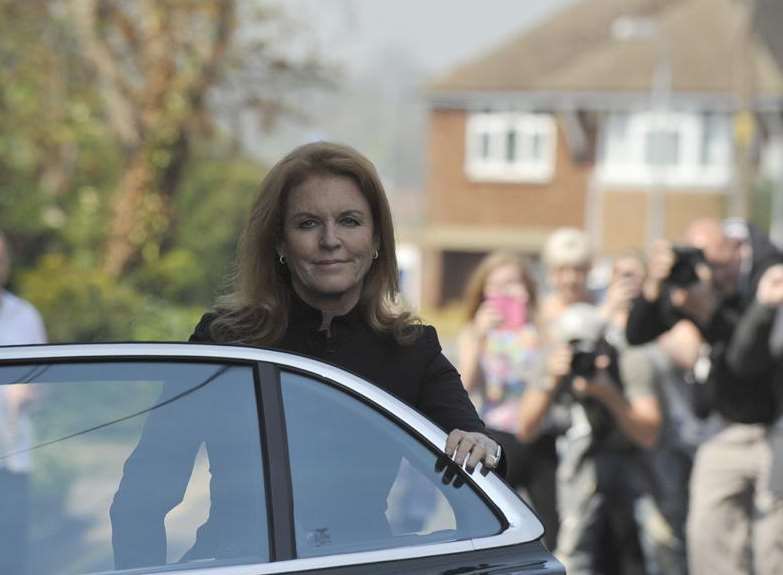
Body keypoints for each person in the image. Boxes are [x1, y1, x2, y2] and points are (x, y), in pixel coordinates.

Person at [111, 142, 502, 568]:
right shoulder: (224, 340)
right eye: (307, 223)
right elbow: (142, 492)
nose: (330, 240)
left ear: (375, 240)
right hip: (238, 566)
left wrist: (480, 446)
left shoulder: (410, 348)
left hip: (364, 567)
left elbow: (484, 476)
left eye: (349, 221)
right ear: (279, 241)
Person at [624, 217, 783, 575]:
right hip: (724, 426)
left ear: (738, 248)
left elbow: (749, 360)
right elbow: (636, 333)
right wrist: (655, 285)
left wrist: (708, 311)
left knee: (774, 545)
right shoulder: (695, 283)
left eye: (721, 265)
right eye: (705, 266)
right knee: (708, 536)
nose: (715, 275)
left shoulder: (770, 274)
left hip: (776, 426)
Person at [518, 302, 662, 575]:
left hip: (631, 458)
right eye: (574, 345)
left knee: (649, 539)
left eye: (591, 344)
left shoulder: (628, 360)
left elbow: (648, 434)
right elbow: (526, 429)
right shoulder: (552, 361)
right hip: (574, 461)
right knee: (573, 544)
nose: (582, 354)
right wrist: (550, 382)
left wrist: (607, 392)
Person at [457, 251, 559, 549]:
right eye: (497, 286)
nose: (506, 292)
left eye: (514, 284)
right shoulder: (474, 333)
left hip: (541, 434)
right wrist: (479, 336)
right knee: (496, 521)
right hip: (498, 435)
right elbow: (465, 385)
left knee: (552, 523)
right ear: (483, 292)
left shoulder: (542, 329)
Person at [0, 230, 47, 575]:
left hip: (13, 460)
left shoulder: (25, 315)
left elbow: (45, 386)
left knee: (12, 559)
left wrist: (28, 391)